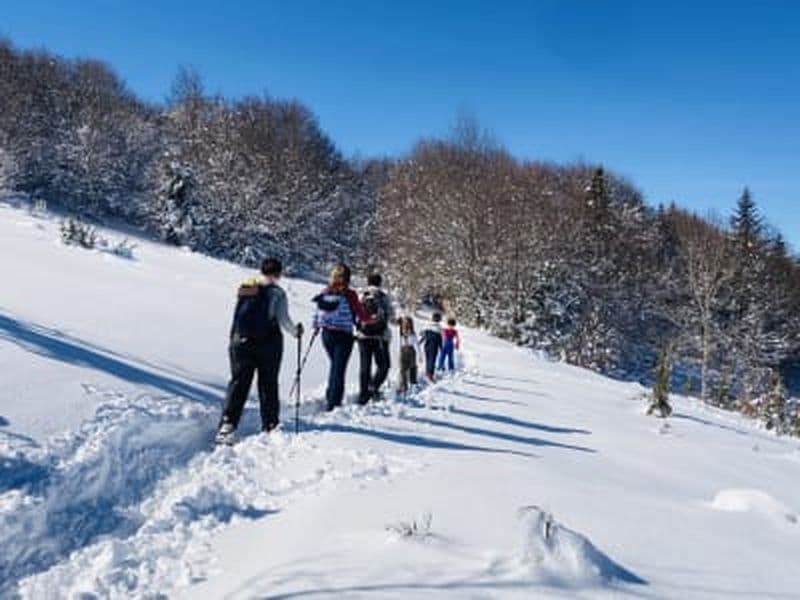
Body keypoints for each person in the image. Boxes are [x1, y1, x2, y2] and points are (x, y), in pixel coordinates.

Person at [217, 258, 303, 444]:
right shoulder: (277, 293)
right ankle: (270, 425)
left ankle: (227, 425)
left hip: (241, 342)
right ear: (279, 274)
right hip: (268, 344)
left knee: (239, 383)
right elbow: (283, 319)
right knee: (268, 384)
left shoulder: (247, 287)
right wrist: (296, 332)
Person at [313, 263, 374, 411]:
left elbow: (317, 313)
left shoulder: (325, 291)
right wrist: (371, 320)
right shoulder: (350, 294)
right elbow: (360, 314)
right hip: (344, 335)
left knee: (335, 366)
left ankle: (330, 396)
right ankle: (334, 403)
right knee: (339, 369)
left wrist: (315, 327)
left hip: (326, 335)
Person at [356, 273, 395, 404]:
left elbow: (355, 313)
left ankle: (363, 395)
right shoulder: (383, 297)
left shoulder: (361, 295)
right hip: (380, 337)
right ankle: (373, 387)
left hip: (363, 335)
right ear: (380, 283)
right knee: (384, 365)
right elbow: (391, 315)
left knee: (365, 365)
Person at [418, 312, 443, 382]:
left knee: (428, 359)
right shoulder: (439, 328)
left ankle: (427, 372)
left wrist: (419, 342)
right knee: (432, 360)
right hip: (434, 346)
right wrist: (441, 348)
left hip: (427, 345)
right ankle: (430, 375)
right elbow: (440, 339)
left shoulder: (427, 326)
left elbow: (422, 335)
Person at [397, 316, 418, 396]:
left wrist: (420, 356)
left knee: (411, 368)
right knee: (402, 370)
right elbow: (397, 323)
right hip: (402, 351)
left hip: (411, 351)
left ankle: (413, 384)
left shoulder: (412, 333)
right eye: (405, 322)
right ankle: (403, 387)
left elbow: (416, 345)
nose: (406, 324)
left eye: (407, 323)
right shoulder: (401, 331)